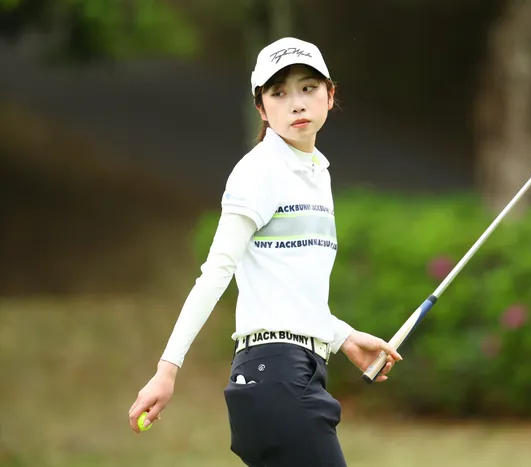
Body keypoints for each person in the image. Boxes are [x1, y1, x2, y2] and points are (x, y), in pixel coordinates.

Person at [127, 36, 402, 467]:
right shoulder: (259, 170)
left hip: (296, 374)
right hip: (276, 377)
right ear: (261, 107)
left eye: (308, 88)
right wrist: (167, 369)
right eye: (279, 93)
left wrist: (343, 338)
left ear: (330, 95)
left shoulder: (316, 173)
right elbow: (216, 272)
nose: (296, 104)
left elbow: (287, 288)